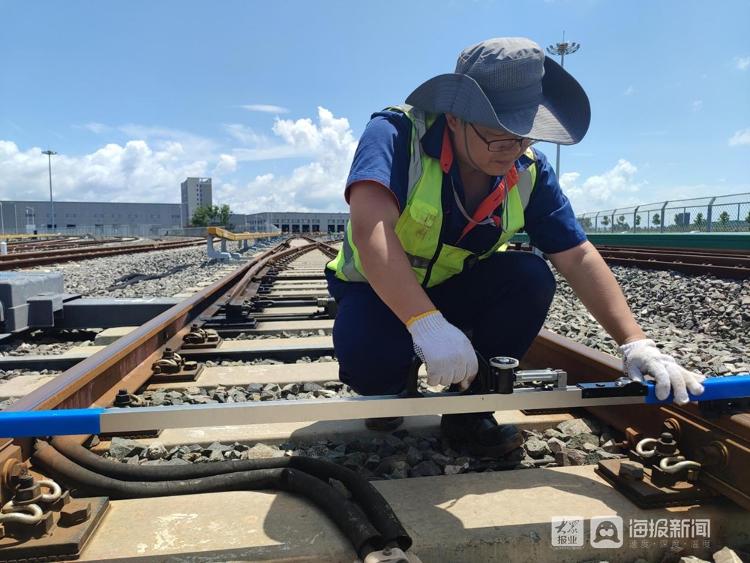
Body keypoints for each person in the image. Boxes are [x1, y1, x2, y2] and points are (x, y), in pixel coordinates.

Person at [325, 37, 705, 456]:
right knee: (370, 361)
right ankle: (395, 381)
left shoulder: (528, 169)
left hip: (455, 288)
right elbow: (371, 232)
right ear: (454, 118)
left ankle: (471, 411)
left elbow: (576, 254)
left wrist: (635, 342)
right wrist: (425, 323)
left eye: (524, 137)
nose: (513, 150)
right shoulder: (396, 134)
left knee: (529, 276)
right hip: (377, 291)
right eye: (496, 137)